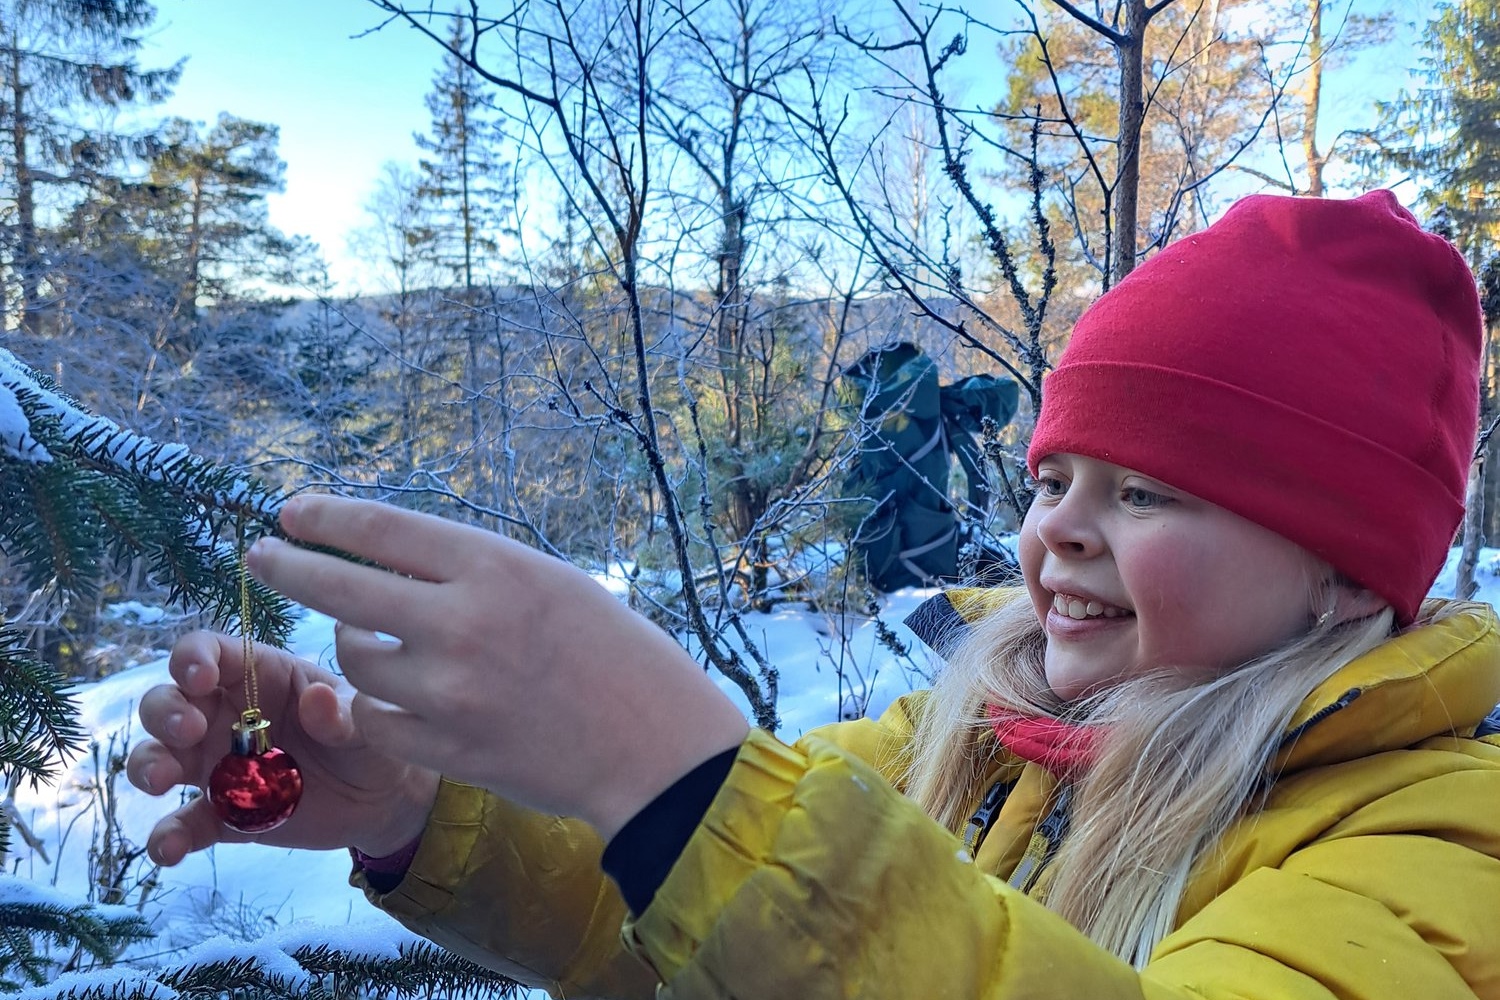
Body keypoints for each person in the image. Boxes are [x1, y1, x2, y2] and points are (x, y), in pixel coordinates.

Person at [128, 190, 1500, 999]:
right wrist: (423, 814)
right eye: (1052, 478)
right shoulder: (961, 737)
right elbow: (677, 920)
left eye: (1147, 494)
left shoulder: (1442, 840)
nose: (1059, 535)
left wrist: (675, 768)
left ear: (1338, 568)